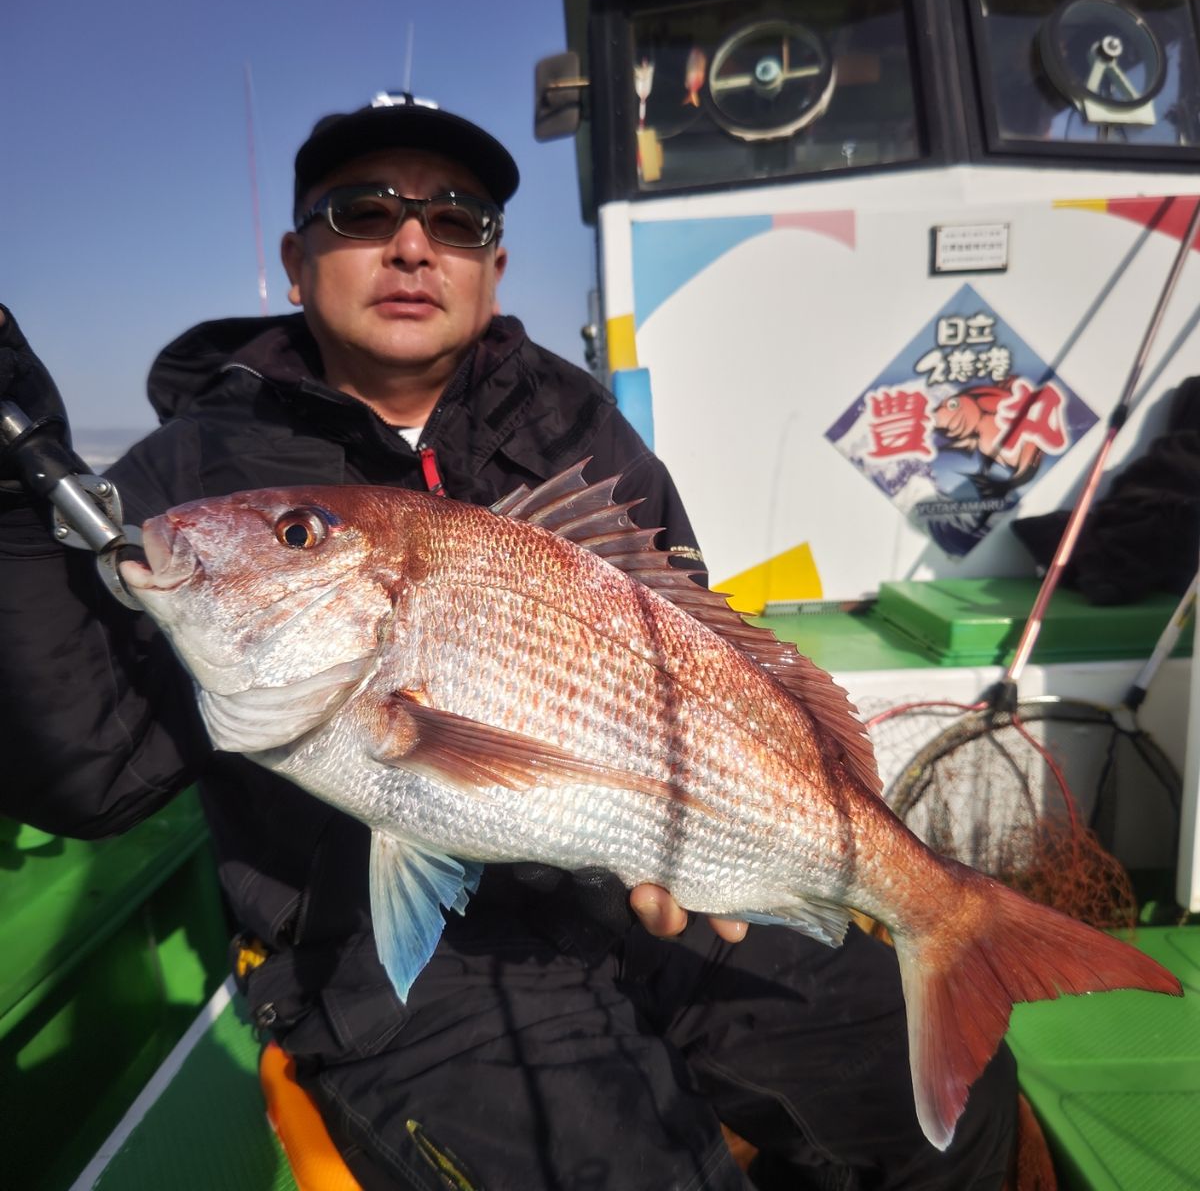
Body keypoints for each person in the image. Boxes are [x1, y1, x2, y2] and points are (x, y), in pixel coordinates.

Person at [0, 96, 1018, 1190]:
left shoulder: (571, 422)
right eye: (363, 211)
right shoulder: (197, 472)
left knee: (935, 1107)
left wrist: (719, 835)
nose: (411, 243)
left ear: (493, 268)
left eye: (459, 221)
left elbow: (700, 649)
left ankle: (944, 927)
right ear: (296, 261)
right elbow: (93, 773)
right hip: (383, 961)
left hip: (646, 880)